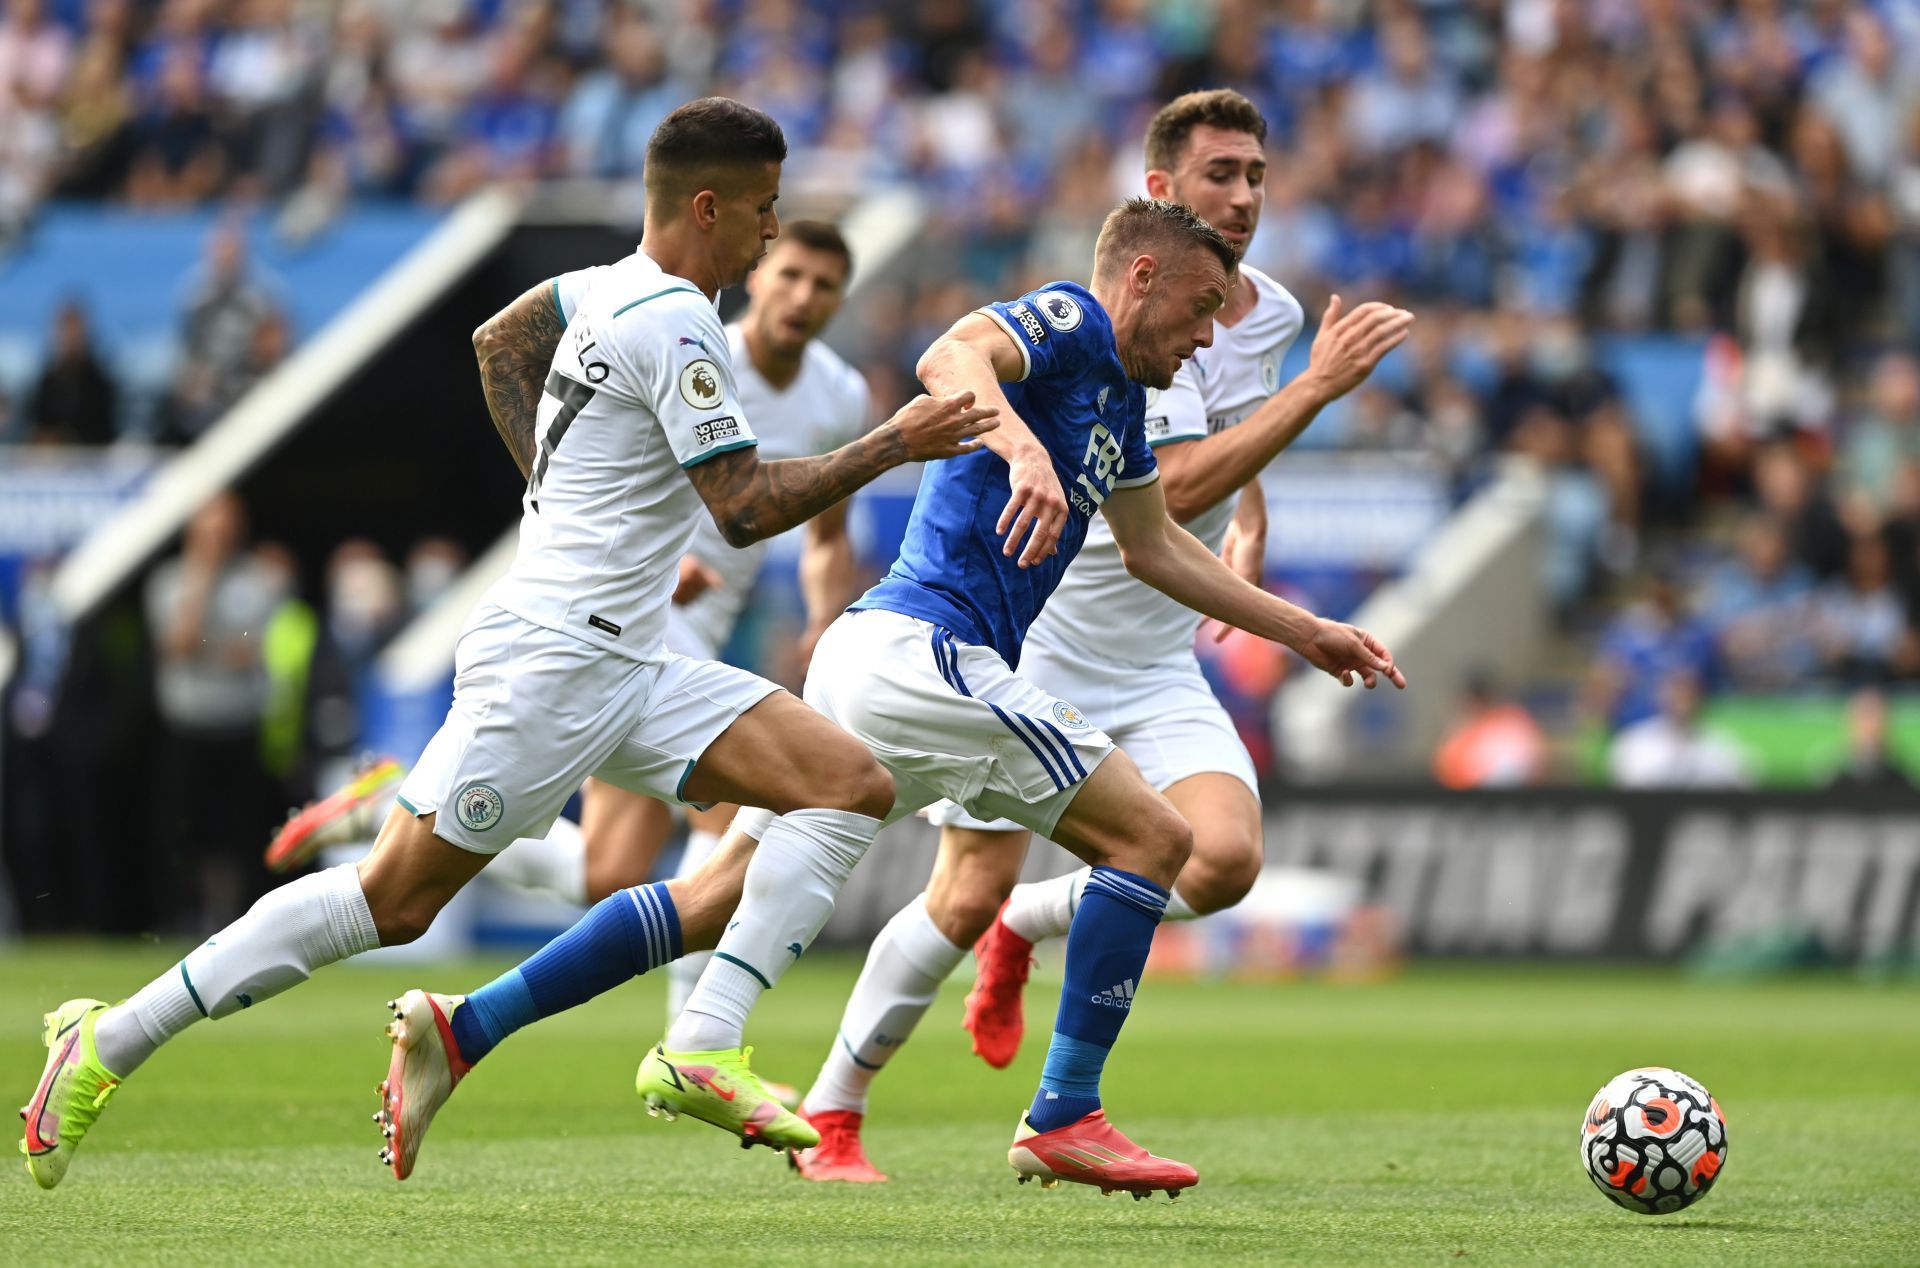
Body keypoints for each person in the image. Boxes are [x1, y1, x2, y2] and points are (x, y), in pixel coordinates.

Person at [19, 96, 994, 1192]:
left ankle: (703, 1041)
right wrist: (894, 441)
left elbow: (500, 341)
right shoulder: (678, 317)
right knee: (391, 899)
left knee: (845, 781)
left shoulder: (596, 287)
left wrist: (559, 493)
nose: (773, 236)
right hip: (557, 662)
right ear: (708, 206)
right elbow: (744, 508)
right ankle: (108, 1040)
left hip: (634, 655)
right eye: (764, 211)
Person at [386, 196, 1406, 1200]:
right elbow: (949, 359)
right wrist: (1015, 446)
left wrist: (1301, 627)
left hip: (877, 663)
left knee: (714, 899)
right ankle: (1064, 1114)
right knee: (1153, 838)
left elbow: (1155, 547)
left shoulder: (1122, 406)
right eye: (1198, 307)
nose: (1204, 336)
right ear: (1142, 274)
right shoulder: (1068, 321)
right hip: (928, 651)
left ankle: (465, 1026)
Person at [792, 88, 1417, 1184]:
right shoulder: (1093, 327)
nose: (1244, 196)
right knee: (964, 886)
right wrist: (1316, 392)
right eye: (1219, 175)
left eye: (1258, 175)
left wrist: (1265, 535)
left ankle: (1034, 934)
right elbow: (1165, 491)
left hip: (1158, 647)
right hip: (1038, 637)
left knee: (1218, 859)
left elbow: (1203, 480)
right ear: (1159, 197)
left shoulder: (1256, 313)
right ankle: (835, 1109)